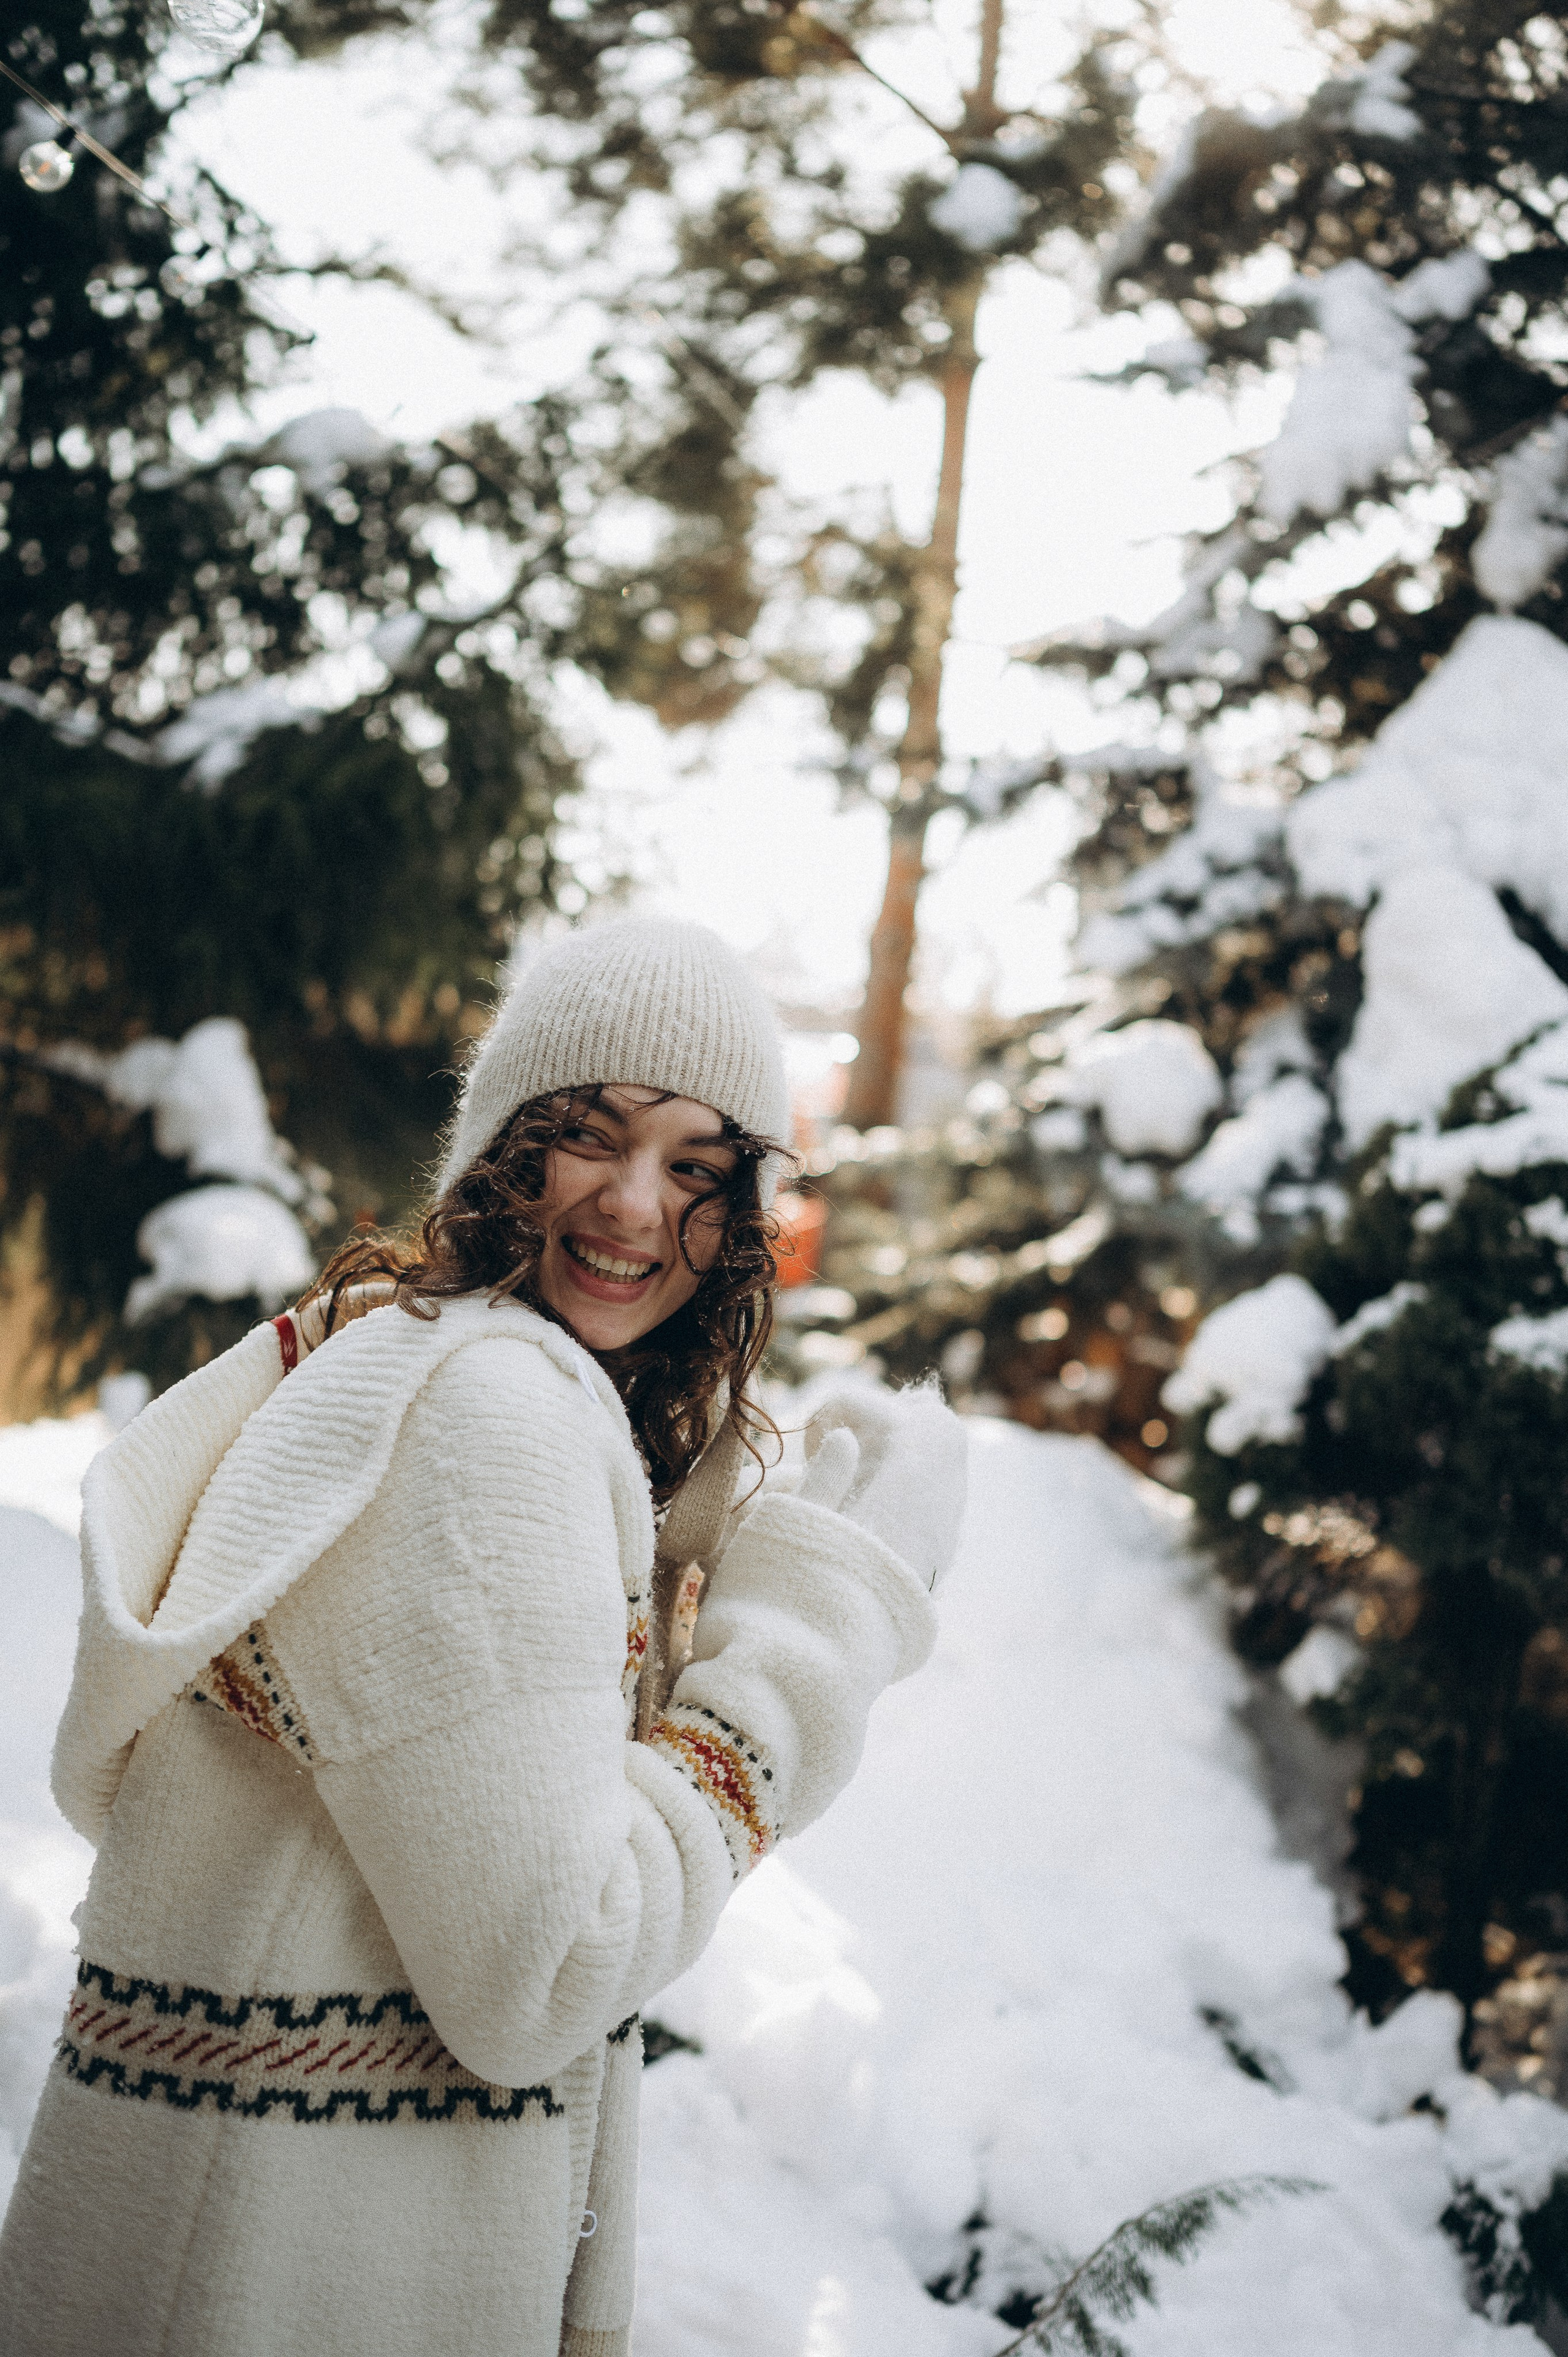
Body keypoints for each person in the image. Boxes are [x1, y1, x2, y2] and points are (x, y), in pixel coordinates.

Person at [0, 916, 967, 2357]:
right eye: (593, 1133)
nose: (639, 1207)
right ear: (501, 1143)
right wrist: (821, 1617)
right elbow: (548, 1973)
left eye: (700, 1168)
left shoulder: (415, 1360)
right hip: (279, 2284)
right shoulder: (484, 1416)